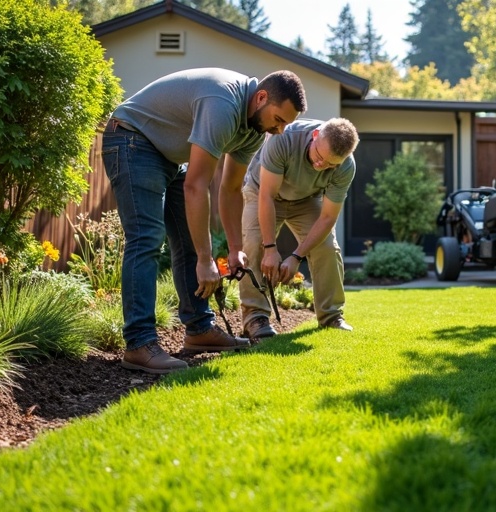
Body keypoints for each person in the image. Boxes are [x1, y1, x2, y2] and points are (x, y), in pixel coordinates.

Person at [101, 68, 307, 374]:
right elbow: (196, 185)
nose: (278, 132)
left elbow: (231, 188)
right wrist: (206, 260)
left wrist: (235, 248)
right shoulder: (223, 103)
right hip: (133, 139)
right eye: (278, 120)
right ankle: (139, 343)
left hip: (167, 155)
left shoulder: (253, 128)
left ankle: (199, 330)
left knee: (187, 240)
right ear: (261, 98)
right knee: (147, 238)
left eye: (285, 125)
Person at [239, 118, 359, 339]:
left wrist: (296, 256)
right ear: (315, 137)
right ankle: (255, 317)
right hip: (262, 192)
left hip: (306, 199)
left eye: (330, 164)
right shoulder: (284, 138)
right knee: (254, 243)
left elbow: (328, 216)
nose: (320, 166)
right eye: (319, 157)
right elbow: (267, 196)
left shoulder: (346, 166)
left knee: (327, 248)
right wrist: (270, 248)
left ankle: (331, 315)